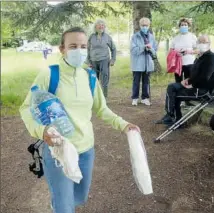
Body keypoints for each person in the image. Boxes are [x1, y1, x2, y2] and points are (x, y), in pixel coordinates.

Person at [19, 27, 139, 213]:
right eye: (73, 46)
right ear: (62, 49)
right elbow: (26, 108)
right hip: (59, 151)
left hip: (86, 150)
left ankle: (60, 203)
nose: (79, 51)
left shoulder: (90, 77)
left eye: (83, 46)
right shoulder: (50, 75)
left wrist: (124, 125)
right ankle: (60, 204)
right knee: (65, 206)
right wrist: (41, 131)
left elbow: (102, 108)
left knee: (80, 197)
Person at [155, 35, 214, 125]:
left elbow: (205, 78)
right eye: (199, 42)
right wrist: (187, 80)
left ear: (209, 44)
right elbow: (195, 74)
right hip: (194, 84)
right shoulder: (199, 57)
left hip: (202, 90)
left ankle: (173, 118)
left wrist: (191, 84)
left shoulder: (211, 57)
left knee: (174, 94)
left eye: (204, 42)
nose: (202, 44)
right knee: (171, 87)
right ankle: (171, 116)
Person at [130, 17, 157, 106]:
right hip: (137, 63)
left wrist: (150, 48)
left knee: (146, 82)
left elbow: (155, 51)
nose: (144, 27)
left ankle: (145, 98)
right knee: (136, 81)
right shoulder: (135, 36)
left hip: (148, 63)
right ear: (140, 26)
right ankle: (135, 98)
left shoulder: (151, 37)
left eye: (146, 25)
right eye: (143, 25)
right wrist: (143, 47)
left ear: (149, 26)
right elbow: (133, 50)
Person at [87, 19, 116, 98]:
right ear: (95, 27)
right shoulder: (91, 37)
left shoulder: (107, 37)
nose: (101, 26)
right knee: (93, 80)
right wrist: (88, 61)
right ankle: (94, 97)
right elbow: (87, 49)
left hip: (104, 60)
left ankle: (104, 97)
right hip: (93, 61)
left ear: (104, 27)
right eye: (99, 25)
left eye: (102, 25)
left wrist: (113, 60)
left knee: (105, 80)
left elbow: (113, 49)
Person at [170, 18, 198, 83]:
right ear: (179, 27)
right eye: (182, 25)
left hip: (189, 63)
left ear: (188, 26)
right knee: (178, 81)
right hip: (178, 64)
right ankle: (179, 93)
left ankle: (188, 93)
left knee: (188, 81)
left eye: (185, 25)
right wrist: (176, 53)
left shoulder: (192, 36)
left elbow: (198, 50)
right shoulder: (176, 38)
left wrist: (190, 51)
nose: (184, 26)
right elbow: (171, 50)